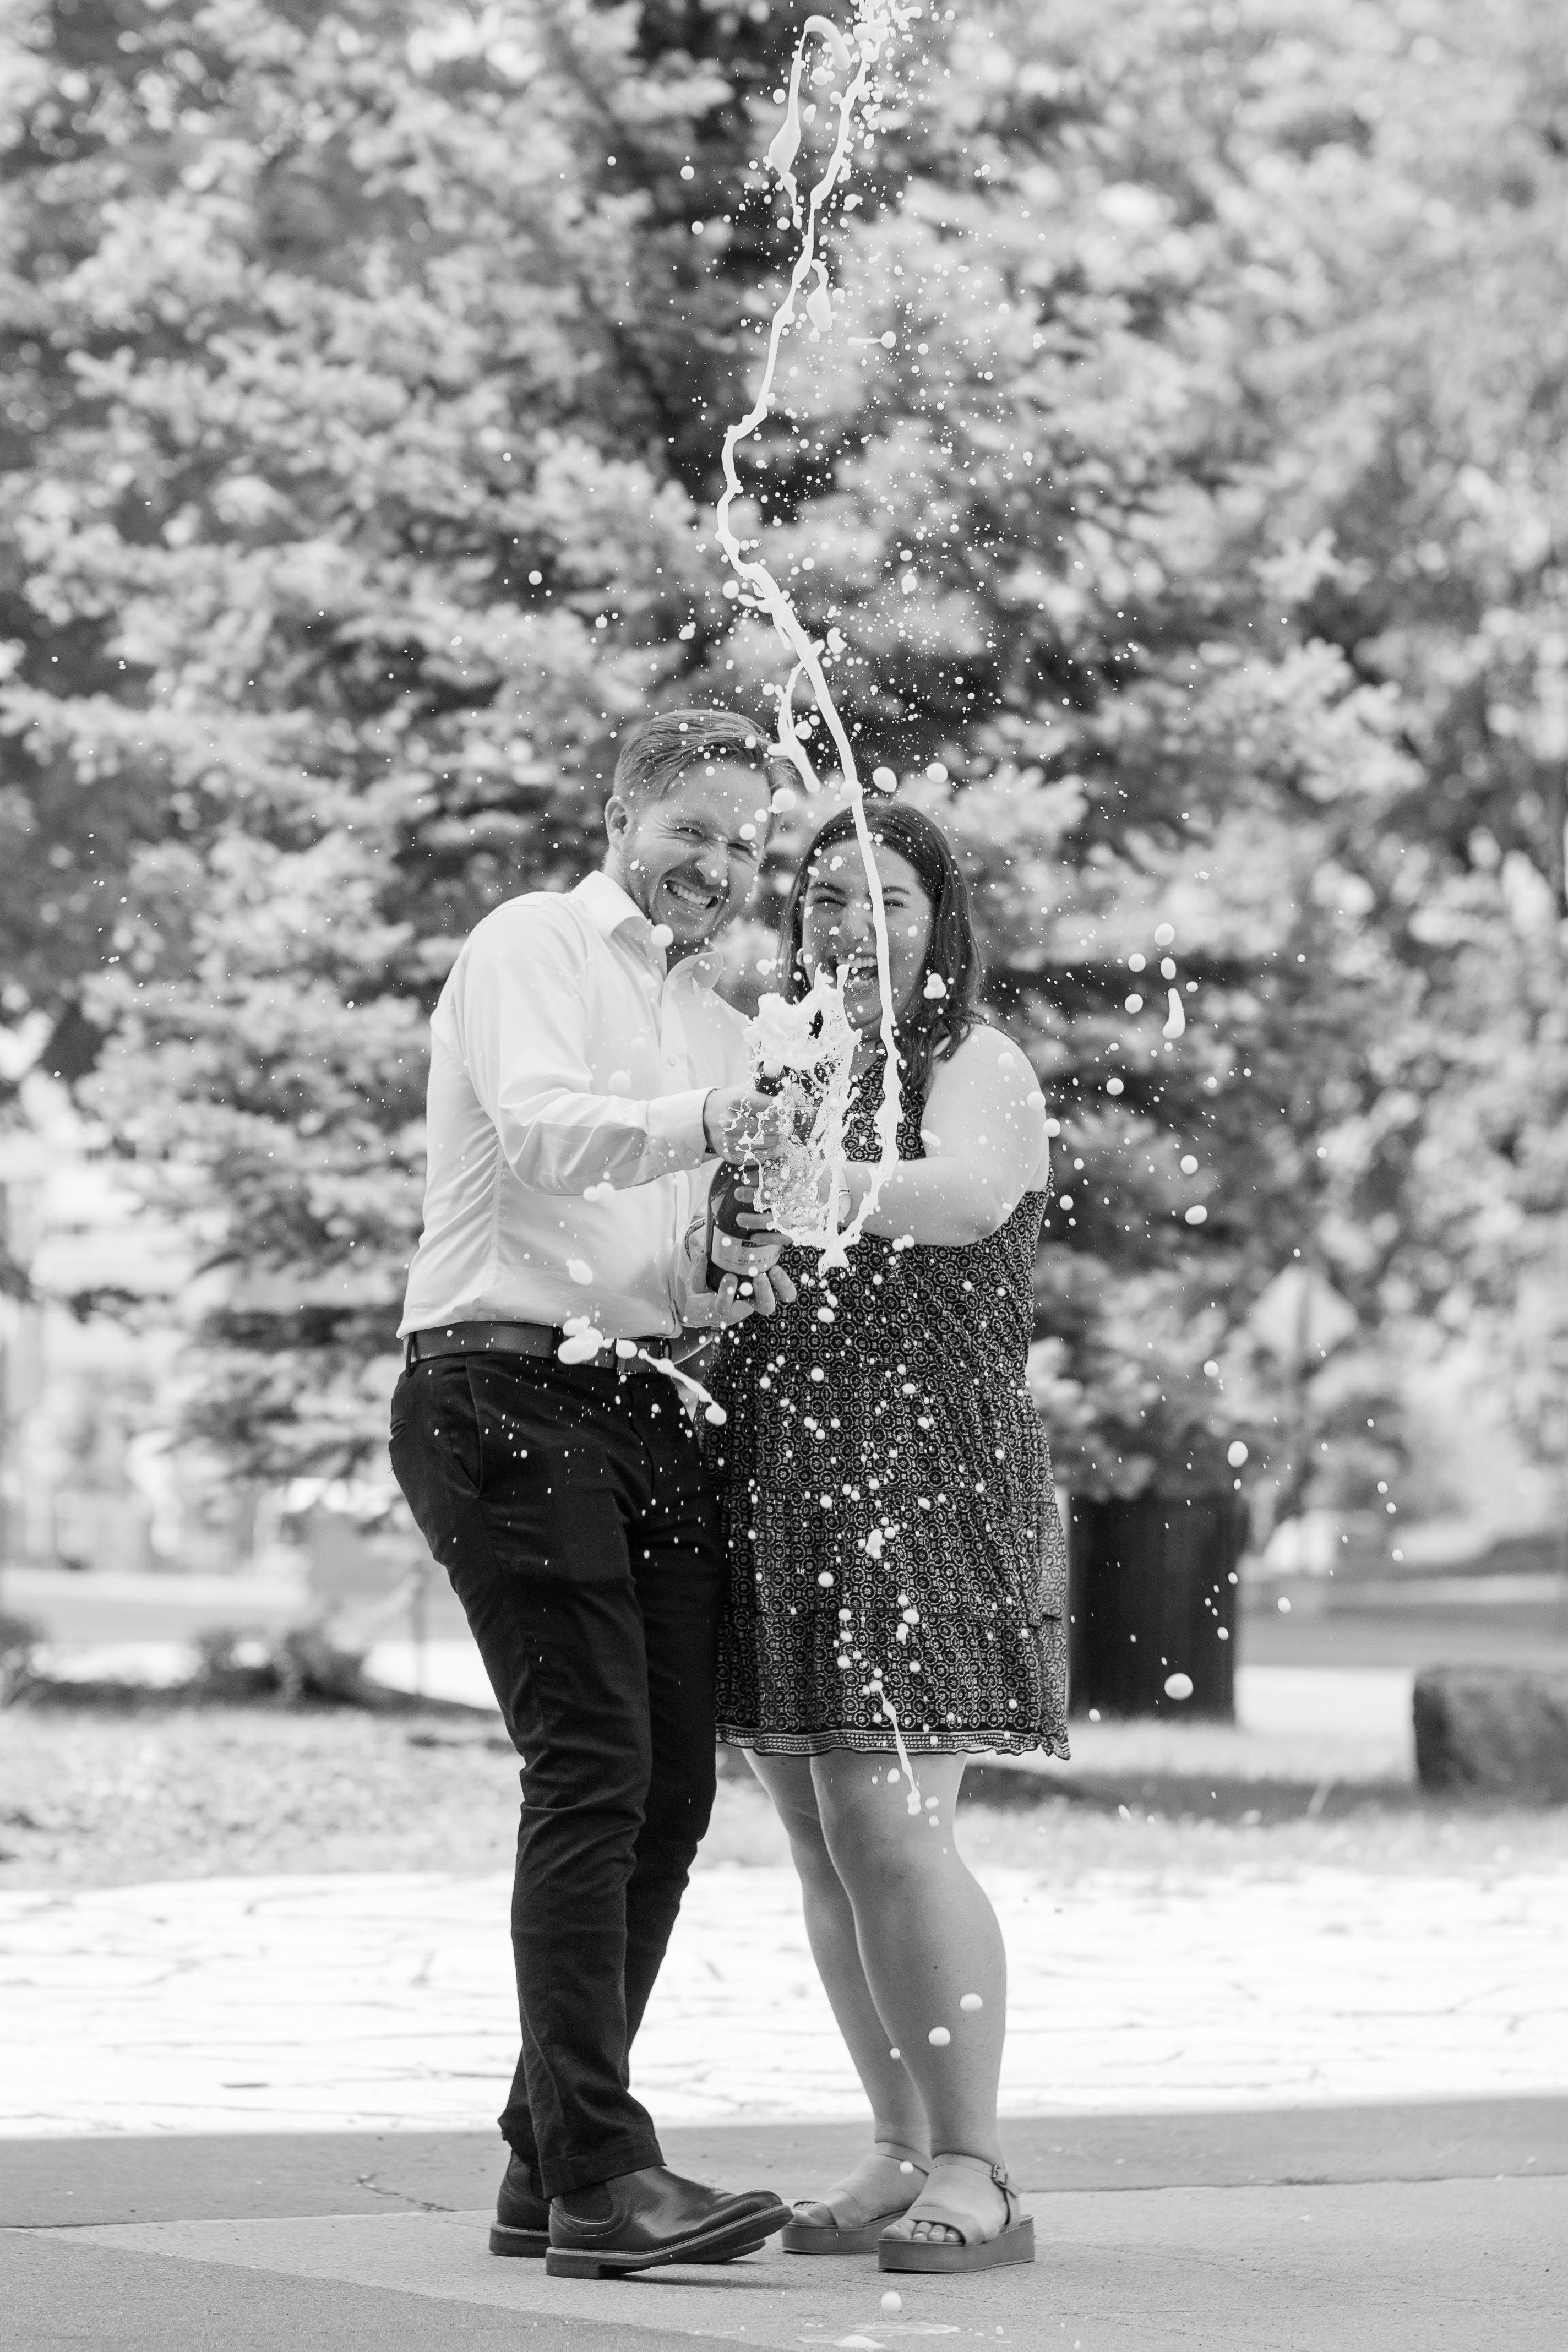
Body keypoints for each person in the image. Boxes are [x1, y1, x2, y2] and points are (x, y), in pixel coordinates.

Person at [389, 707, 800, 2279]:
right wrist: (712, 1125)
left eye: (745, 843)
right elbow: (550, 1139)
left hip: (647, 1400)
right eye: (694, 828)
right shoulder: (531, 944)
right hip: (499, 1387)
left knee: (673, 1791)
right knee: (591, 1770)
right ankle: (605, 2181)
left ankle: (540, 2161)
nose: (719, 864)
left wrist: (728, 1256)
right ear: (625, 813)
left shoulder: (718, 1026)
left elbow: (666, 1255)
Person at [709, 798, 1070, 2275]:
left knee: (894, 1826)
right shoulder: (783, 1065)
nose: (856, 926)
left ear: (942, 929)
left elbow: (962, 1196)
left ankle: (979, 2168)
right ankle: (897, 2142)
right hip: (787, 1480)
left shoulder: (978, 1066)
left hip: (924, 1477)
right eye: (830, 901)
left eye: (893, 902)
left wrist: (797, 1188)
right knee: (819, 1834)